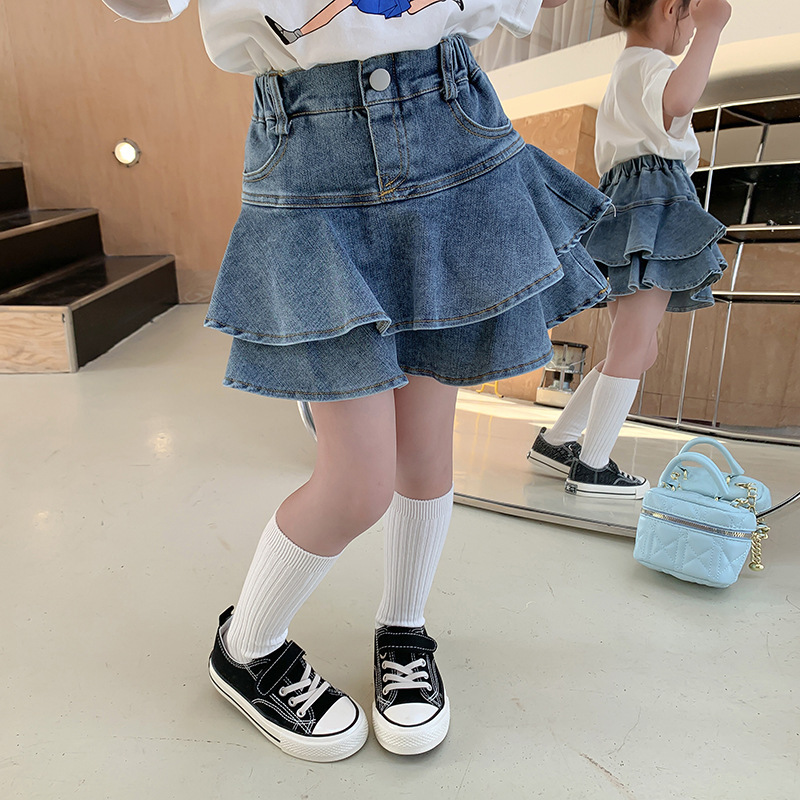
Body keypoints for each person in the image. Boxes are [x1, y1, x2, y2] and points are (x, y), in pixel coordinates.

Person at [101, 0, 609, 761]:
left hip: (451, 126)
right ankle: (246, 647)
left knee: (425, 454)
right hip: (310, 149)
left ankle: (404, 628)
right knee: (357, 484)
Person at [527, 0, 731, 500]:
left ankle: (558, 442)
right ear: (670, 10)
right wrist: (713, 28)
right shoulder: (652, 65)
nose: (690, 30)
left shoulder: (628, 67)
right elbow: (680, 99)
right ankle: (592, 465)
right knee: (633, 346)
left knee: (636, 347)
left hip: (625, 202)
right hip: (653, 201)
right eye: (689, 18)